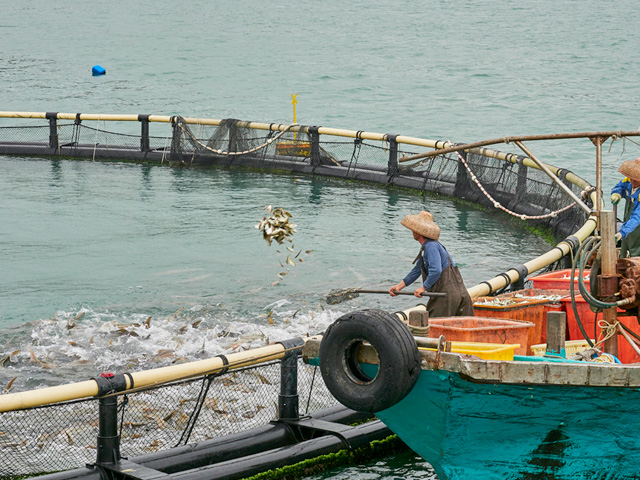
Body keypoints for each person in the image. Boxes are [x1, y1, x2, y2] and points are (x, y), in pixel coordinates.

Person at [389, 211, 474, 317]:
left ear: (418, 232)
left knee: (434, 326)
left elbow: (436, 270)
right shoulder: (428, 247)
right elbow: (416, 270)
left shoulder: (431, 247)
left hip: (446, 296)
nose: (412, 231)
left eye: (413, 229)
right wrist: (399, 287)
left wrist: (423, 288)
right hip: (459, 293)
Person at [611, 158, 640, 257]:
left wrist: (622, 232)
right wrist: (617, 194)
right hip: (627, 224)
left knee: (636, 253)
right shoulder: (628, 181)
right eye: (631, 178)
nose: (632, 181)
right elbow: (620, 187)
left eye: (635, 179)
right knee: (624, 247)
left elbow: (637, 217)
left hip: (637, 229)